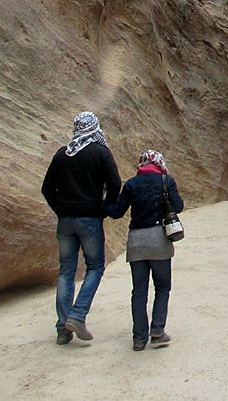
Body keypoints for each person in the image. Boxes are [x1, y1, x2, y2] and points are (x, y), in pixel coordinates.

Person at [41, 111, 121, 344]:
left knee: (66, 271)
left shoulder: (62, 154)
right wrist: (104, 208)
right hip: (90, 219)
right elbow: (115, 183)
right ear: (94, 127)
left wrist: (61, 209)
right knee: (95, 267)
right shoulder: (100, 152)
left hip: (66, 221)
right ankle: (77, 315)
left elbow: (47, 188)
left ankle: (63, 328)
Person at [104, 149, 184, 351]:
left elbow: (116, 212)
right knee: (162, 287)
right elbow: (179, 206)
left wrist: (102, 201)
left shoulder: (131, 184)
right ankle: (157, 330)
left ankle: (139, 338)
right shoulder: (166, 181)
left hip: (136, 242)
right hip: (159, 241)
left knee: (139, 291)